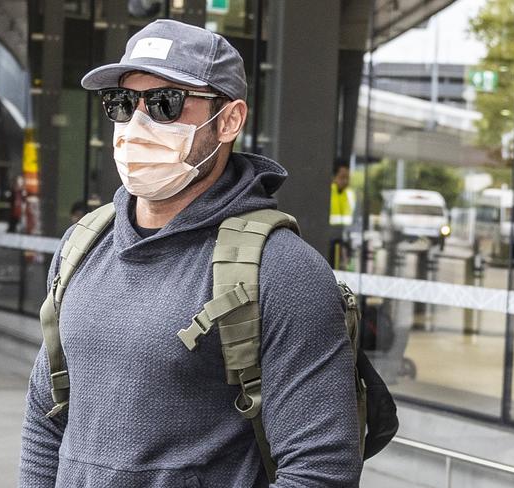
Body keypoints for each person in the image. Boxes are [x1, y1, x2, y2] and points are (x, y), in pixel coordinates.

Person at [19, 19, 362, 487]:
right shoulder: (83, 245)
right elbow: (46, 416)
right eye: (121, 103)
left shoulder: (282, 271)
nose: (135, 126)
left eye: (165, 104)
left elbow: (321, 470)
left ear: (229, 121)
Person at [329, 160, 356, 269]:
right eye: (342, 177)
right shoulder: (329, 192)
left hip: (345, 238)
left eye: (347, 177)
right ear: (334, 177)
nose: (345, 181)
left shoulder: (350, 194)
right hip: (329, 239)